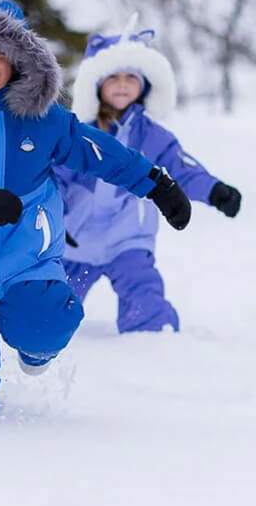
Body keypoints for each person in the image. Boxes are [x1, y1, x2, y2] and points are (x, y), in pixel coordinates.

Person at [0, 0, 192, 418]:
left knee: (44, 321)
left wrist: (156, 184)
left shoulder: (45, 120)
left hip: (26, 252)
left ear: (20, 56)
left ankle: (36, 352)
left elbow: (99, 151)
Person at [56, 21, 241, 333]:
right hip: (75, 241)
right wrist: (56, 218)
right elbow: (56, 178)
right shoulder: (79, 134)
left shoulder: (152, 135)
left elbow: (182, 168)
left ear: (145, 85)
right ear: (97, 84)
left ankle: (151, 342)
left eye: (131, 77)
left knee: (145, 296)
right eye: (113, 77)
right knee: (52, 311)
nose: (123, 85)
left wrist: (215, 191)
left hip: (127, 239)